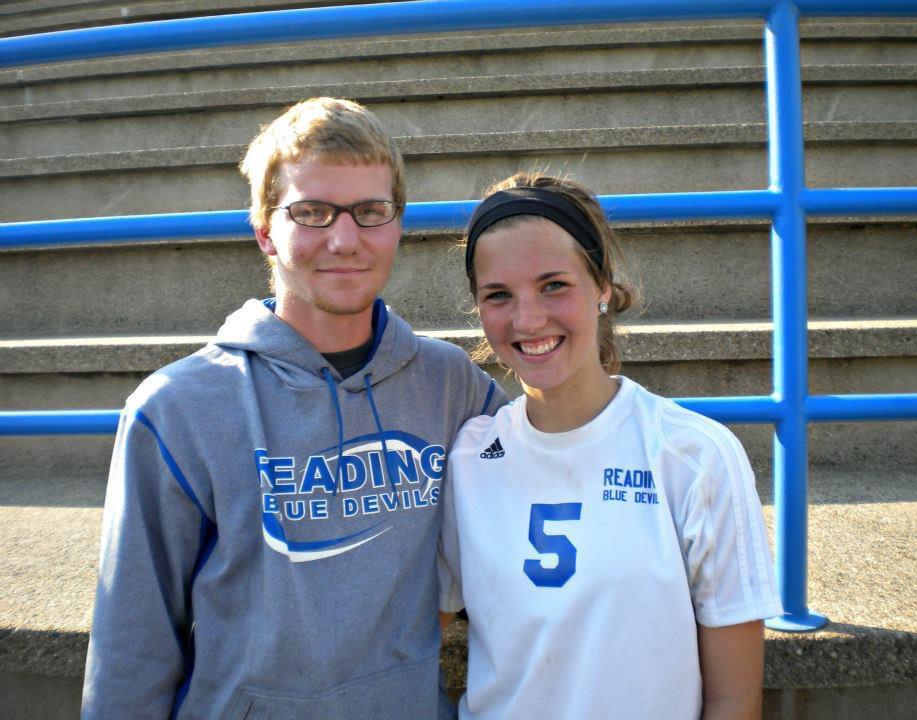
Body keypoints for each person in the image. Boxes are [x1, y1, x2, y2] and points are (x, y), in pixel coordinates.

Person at [82, 97, 504, 720]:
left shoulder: (452, 385)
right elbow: (131, 649)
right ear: (264, 232)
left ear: (397, 225)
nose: (344, 239)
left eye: (370, 211)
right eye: (311, 212)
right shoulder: (176, 409)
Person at [439, 172, 783, 720]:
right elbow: (416, 630)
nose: (528, 319)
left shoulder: (695, 456)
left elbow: (734, 700)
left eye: (554, 285)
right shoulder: (467, 459)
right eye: (498, 295)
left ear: (602, 287)